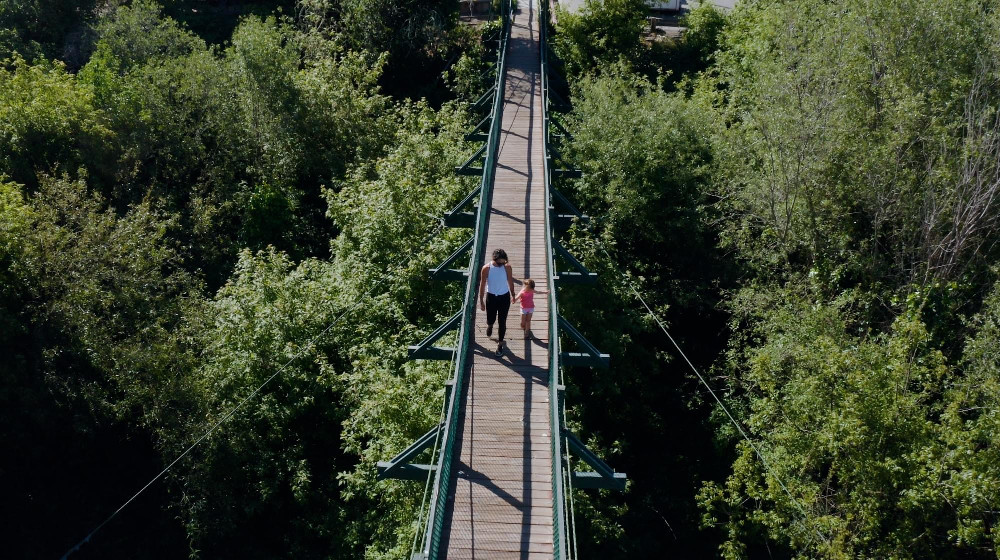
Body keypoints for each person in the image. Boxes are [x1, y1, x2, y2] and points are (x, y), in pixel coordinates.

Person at [478, 248, 515, 357]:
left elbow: (510, 281)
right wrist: (481, 300)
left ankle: (500, 344)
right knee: (491, 318)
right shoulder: (486, 268)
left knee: (502, 321)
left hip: (504, 297)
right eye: (500, 262)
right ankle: (490, 325)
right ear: (495, 259)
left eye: (504, 261)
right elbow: (482, 284)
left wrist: (513, 294)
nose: (502, 264)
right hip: (491, 297)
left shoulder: (507, 267)